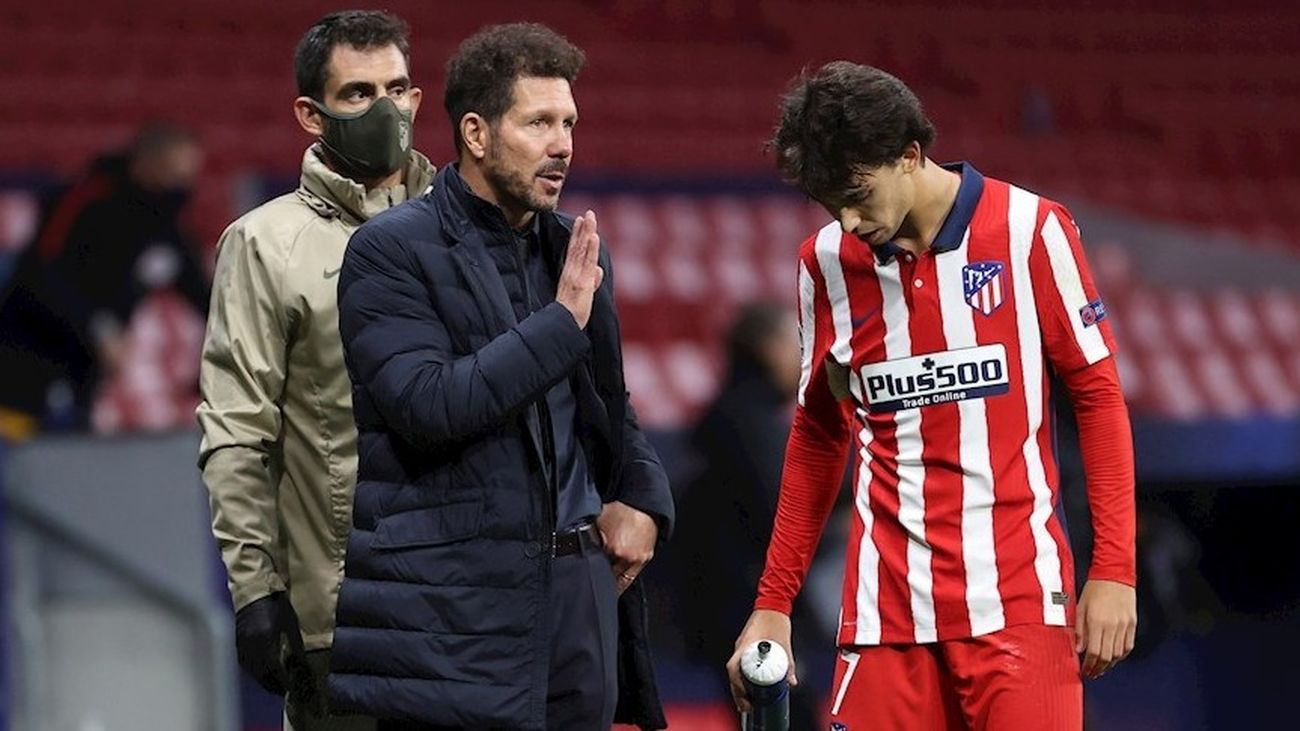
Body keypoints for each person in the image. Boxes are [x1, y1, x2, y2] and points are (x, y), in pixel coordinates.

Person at [727, 62, 1137, 730]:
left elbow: (1098, 397)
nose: (849, 220)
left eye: (858, 194)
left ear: (911, 154)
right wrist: (773, 601)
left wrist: (1115, 569)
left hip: (1018, 603)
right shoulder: (825, 264)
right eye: (832, 204)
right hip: (883, 616)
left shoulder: (1031, 230)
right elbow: (819, 434)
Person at [326, 23, 674, 731]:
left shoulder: (572, 249)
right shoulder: (389, 251)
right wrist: (562, 321)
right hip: (451, 611)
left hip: (576, 601)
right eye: (539, 122)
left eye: (569, 123)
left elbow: (608, 406)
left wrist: (642, 496)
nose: (563, 144)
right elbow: (428, 406)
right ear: (477, 134)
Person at [195, 11, 435, 731]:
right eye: (358, 93)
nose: (385, 109)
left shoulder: (468, 229)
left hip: (472, 611)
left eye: (396, 88)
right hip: (346, 614)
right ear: (311, 114)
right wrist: (255, 591)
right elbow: (237, 432)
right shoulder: (264, 244)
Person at [673, 301, 842, 730]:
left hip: (729, 603)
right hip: (749, 608)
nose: (801, 357)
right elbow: (780, 513)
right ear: (767, 347)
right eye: (794, 343)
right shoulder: (749, 423)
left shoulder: (733, 416)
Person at [0, 122, 207, 436]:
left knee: (70, 444)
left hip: (83, 367)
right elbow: (43, 274)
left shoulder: (165, 224)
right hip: (25, 350)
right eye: (174, 173)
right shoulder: (87, 199)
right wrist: (100, 327)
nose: (182, 184)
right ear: (145, 163)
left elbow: (200, 291)